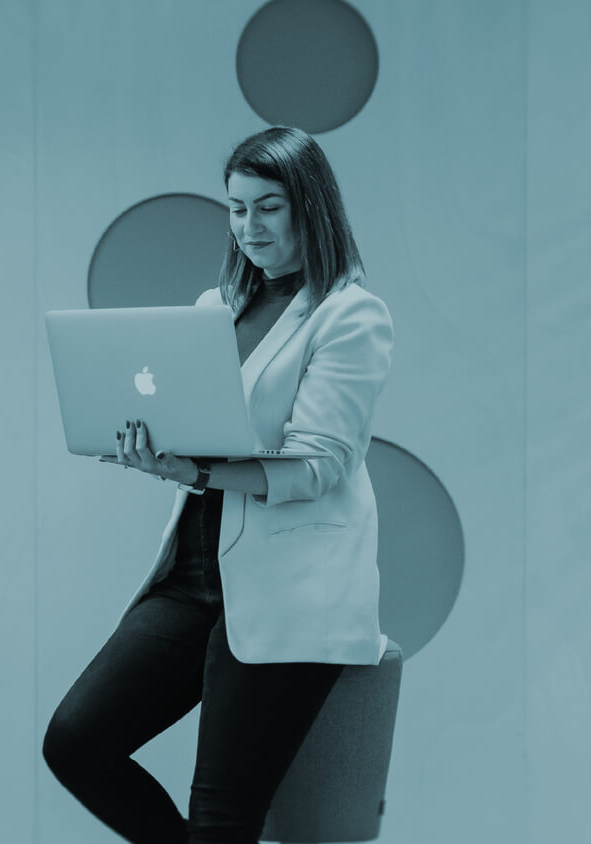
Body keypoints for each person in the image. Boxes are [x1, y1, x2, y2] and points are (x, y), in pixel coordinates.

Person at [41, 126, 394, 844]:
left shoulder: (351, 315)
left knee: (221, 818)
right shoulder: (216, 305)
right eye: (236, 209)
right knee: (76, 744)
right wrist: (158, 445)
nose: (248, 227)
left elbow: (319, 463)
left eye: (268, 207)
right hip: (195, 575)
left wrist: (195, 470)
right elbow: (204, 428)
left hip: (289, 586)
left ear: (311, 208)